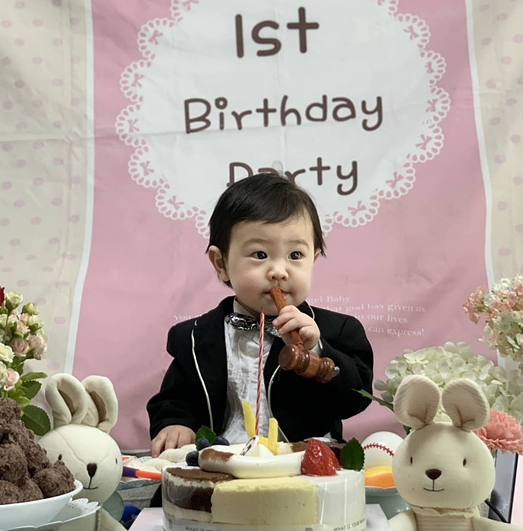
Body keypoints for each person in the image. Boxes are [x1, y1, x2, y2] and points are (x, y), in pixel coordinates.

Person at [147, 172, 373, 457]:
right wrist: (175, 424)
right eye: (260, 255)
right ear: (221, 264)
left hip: (304, 462)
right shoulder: (194, 337)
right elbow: (175, 399)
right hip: (223, 462)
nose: (279, 271)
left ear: (313, 260)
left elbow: (354, 400)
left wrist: (317, 351)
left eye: (295, 255)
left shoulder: (338, 331)